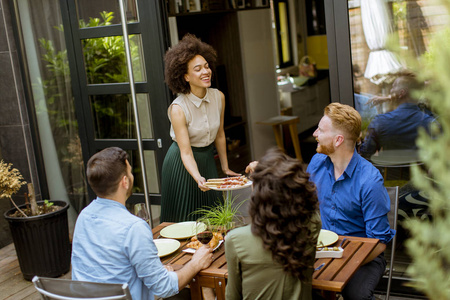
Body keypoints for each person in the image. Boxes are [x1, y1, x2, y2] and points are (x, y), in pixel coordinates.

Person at [71, 147, 213, 300]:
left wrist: (156, 272)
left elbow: (106, 268)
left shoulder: (83, 217)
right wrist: (195, 263)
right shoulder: (133, 227)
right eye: (130, 172)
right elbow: (164, 287)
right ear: (125, 181)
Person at [306, 103, 395, 300]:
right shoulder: (317, 163)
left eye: (320, 129)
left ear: (338, 140)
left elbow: (379, 244)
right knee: (297, 284)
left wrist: (342, 263)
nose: (314, 134)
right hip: (323, 251)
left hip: (364, 256)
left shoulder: (369, 181)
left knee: (357, 295)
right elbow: (301, 205)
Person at [161, 33, 239, 222]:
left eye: (206, 66)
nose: (206, 71)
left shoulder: (218, 96)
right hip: (181, 164)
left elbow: (220, 134)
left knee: (214, 216)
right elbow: (185, 152)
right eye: (198, 69)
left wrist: (225, 167)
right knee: (184, 218)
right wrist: (197, 177)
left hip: (206, 159)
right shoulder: (178, 108)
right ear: (186, 76)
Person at [226, 148, 322, 300]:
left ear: (258, 195)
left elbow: (232, 296)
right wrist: (268, 173)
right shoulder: (311, 225)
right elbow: (311, 211)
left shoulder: (235, 240)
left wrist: (207, 293)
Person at [360, 74, 436, 159]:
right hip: (421, 171)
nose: (390, 91)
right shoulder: (431, 122)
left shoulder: (380, 122)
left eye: (393, 87)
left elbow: (365, 154)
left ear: (402, 93)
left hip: (389, 172)